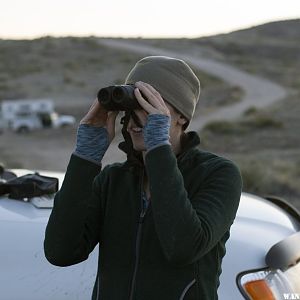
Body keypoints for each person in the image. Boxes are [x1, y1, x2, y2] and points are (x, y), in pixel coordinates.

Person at [44, 56, 242, 300]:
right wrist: (86, 158)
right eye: (130, 108)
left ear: (180, 116)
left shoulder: (217, 174)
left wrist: (157, 148)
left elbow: (183, 247)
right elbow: (60, 252)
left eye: (147, 104)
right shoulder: (113, 180)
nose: (135, 119)